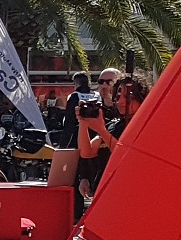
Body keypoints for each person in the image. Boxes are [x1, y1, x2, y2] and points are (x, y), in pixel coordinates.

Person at [53, 73, 145, 214]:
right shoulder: (115, 125)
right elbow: (87, 152)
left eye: (128, 98)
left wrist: (101, 130)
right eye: (118, 96)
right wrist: (83, 122)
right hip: (106, 192)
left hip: (131, 194)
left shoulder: (145, 126)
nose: (121, 102)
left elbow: (124, 155)